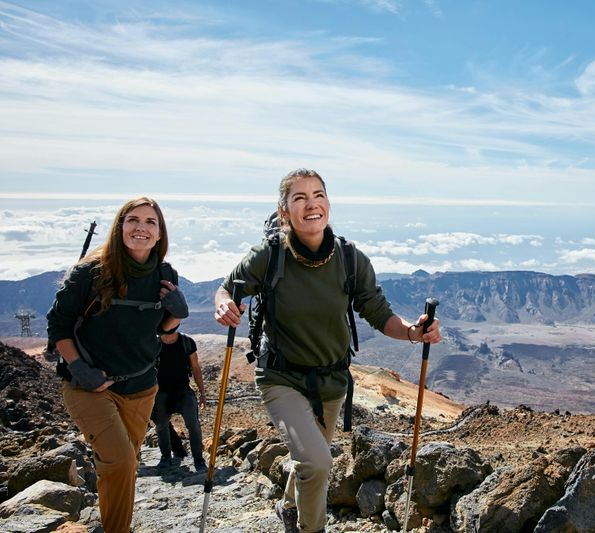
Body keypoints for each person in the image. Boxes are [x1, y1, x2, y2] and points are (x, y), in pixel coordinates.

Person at [214, 168, 442, 533]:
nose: (311, 204)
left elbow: (379, 314)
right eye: (300, 198)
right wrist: (224, 304)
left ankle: (290, 508)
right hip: (280, 377)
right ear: (285, 211)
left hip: (332, 382)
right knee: (318, 462)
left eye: (318, 195)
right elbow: (226, 289)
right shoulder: (268, 257)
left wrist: (415, 333)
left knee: (311, 458)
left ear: (328, 204)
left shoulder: (350, 259)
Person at [46, 197, 189, 533]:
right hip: (90, 386)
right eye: (133, 220)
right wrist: (78, 367)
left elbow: (162, 331)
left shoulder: (165, 274)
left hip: (141, 387)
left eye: (150, 222)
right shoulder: (89, 273)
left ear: (160, 233)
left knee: (123, 465)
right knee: (120, 461)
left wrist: (176, 316)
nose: (141, 227)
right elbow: (58, 325)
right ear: (120, 227)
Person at [152, 331, 208, 472]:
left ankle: (198, 460)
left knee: (194, 425)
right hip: (160, 393)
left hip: (183, 391)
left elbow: (195, 368)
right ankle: (166, 458)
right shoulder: (153, 344)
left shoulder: (187, 343)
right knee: (161, 426)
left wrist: (202, 393)